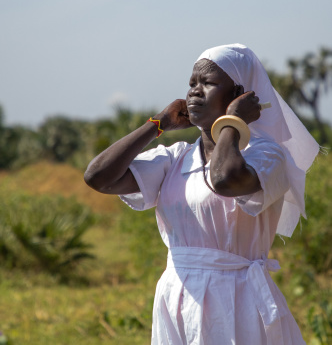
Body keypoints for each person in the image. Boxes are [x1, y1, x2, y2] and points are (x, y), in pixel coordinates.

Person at [84, 44, 320, 345]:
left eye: (207, 83)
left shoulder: (266, 156)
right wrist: (158, 123)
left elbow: (223, 179)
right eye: (192, 83)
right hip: (178, 297)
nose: (194, 91)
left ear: (239, 94)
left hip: (236, 301)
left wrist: (233, 122)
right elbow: (98, 177)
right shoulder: (175, 158)